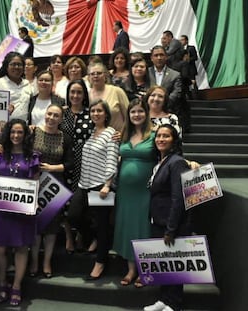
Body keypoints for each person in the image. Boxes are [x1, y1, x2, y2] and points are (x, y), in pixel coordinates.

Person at [0, 119, 40, 307]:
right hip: (2, 209)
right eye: (13, 132)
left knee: (21, 248)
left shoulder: (32, 157)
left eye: (20, 133)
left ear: (25, 135)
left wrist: (33, 199)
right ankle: (2, 282)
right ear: (8, 134)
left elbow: (35, 182)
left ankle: (16, 286)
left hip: (22, 210)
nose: (16, 136)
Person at [67, 99, 119, 280]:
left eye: (99, 111)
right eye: (93, 111)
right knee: (73, 215)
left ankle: (100, 261)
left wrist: (107, 184)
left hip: (101, 185)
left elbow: (112, 160)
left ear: (106, 114)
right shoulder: (91, 133)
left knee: (103, 225)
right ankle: (93, 236)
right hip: (84, 184)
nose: (96, 114)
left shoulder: (111, 134)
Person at [144, 124, 191, 311]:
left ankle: (174, 303)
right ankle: (163, 300)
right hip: (158, 220)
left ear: (174, 141)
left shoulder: (177, 162)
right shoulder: (161, 161)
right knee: (164, 263)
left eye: (166, 136)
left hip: (172, 224)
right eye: (158, 136)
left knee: (174, 263)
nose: (161, 139)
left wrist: (171, 229)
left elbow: (178, 197)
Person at [113, 98, 155, 288]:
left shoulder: (155, 135)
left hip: (146, 191)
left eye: (140, 111)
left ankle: (145, 269)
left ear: (146, 113)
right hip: (125, 191)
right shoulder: (123, 135)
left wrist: (189, 163)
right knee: (128, 227)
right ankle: (131, 270)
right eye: (133, 112)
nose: (136, 115)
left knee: (144, 228)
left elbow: (171, 156)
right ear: (128, 115)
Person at [29, 104, 74, 279]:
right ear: (44, 114)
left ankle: (46, 262)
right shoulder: (32, 132)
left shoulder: (66, 138)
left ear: (61, 119)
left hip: (55, 186)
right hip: (34, 183)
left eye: (56, 115)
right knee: (36, 227)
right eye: (49, 114)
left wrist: (53, 168)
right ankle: (34, 262)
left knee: (52, 228)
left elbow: (70, 164)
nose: (51, 118)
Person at [60, 79, 94, 253]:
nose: (75, 95)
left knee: (81, 203)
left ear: (84, 95)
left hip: (86, 163)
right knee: (64, 200)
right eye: (72, 92)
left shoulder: (91, 114)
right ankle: (68, 236)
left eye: (79, 92)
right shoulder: (62, 113)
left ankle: (81, 234)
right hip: (64, 162)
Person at [88, 62, 129, 133]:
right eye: (92, 74)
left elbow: (128, 115)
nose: (95, 76)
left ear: (105, 75)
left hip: (118, 137)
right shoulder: (86, 95)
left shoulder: (117, 91)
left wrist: (123, 133)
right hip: (97, 138)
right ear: (88, 77)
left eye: (99, 73)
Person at [0, 51, 32, 121]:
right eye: (13, 64)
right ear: (6, 67)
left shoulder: (27, 84)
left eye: (19, 64)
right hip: (3, 126)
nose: (16, 67)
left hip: (23, 128)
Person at [148, 45, 182, 116]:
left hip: (168, 111)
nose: (159, 58)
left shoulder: (175, 75)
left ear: (166, 57)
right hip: (148, 111)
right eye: (156, 55)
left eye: (161, 55)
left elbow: (176, 92)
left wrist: (162, 103)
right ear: (151, 58)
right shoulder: (146, 73)